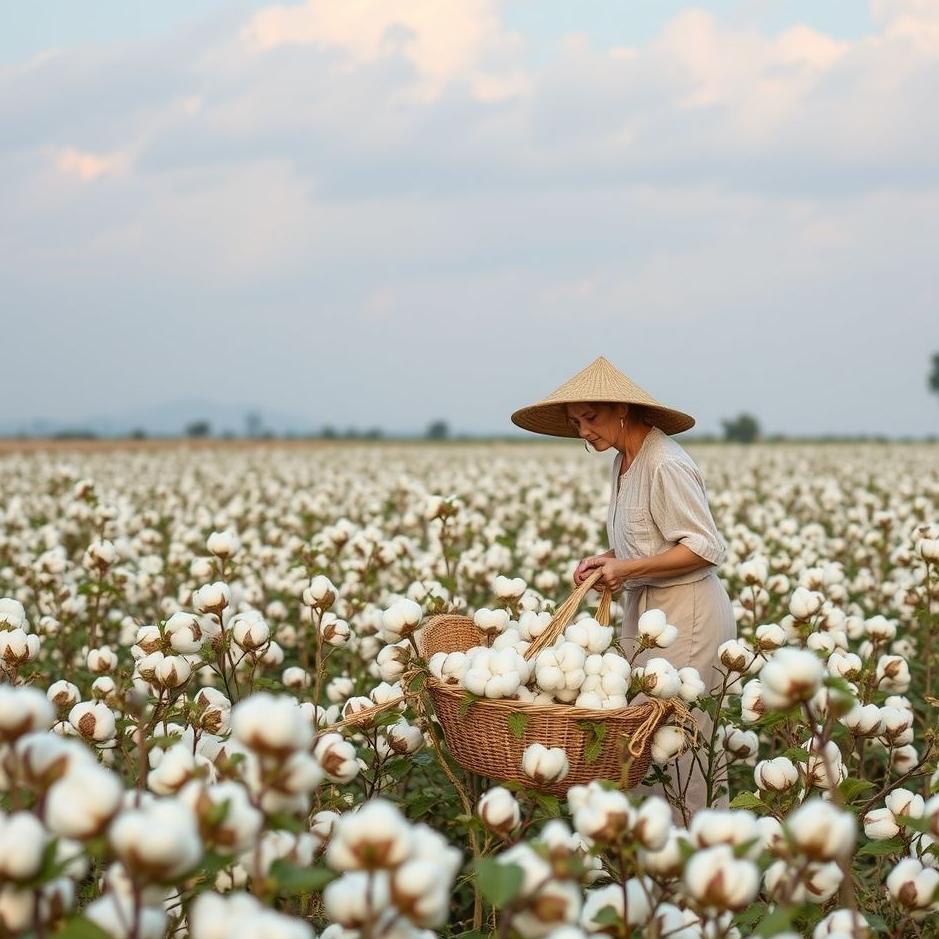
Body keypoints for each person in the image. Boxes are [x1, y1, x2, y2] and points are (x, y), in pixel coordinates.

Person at [511, 355, 736, 823]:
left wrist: (628, 569)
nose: (583, 431)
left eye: (590, 418)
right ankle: (654, 865)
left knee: (678, 749)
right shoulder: (623, 461)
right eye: (575, 423)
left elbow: (705, 547)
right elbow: (651, 540)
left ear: (622, 410)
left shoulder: (665, 463)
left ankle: (700, 864)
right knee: (645, 742)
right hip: (649, 611)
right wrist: (609, 562)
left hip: (687, 614)